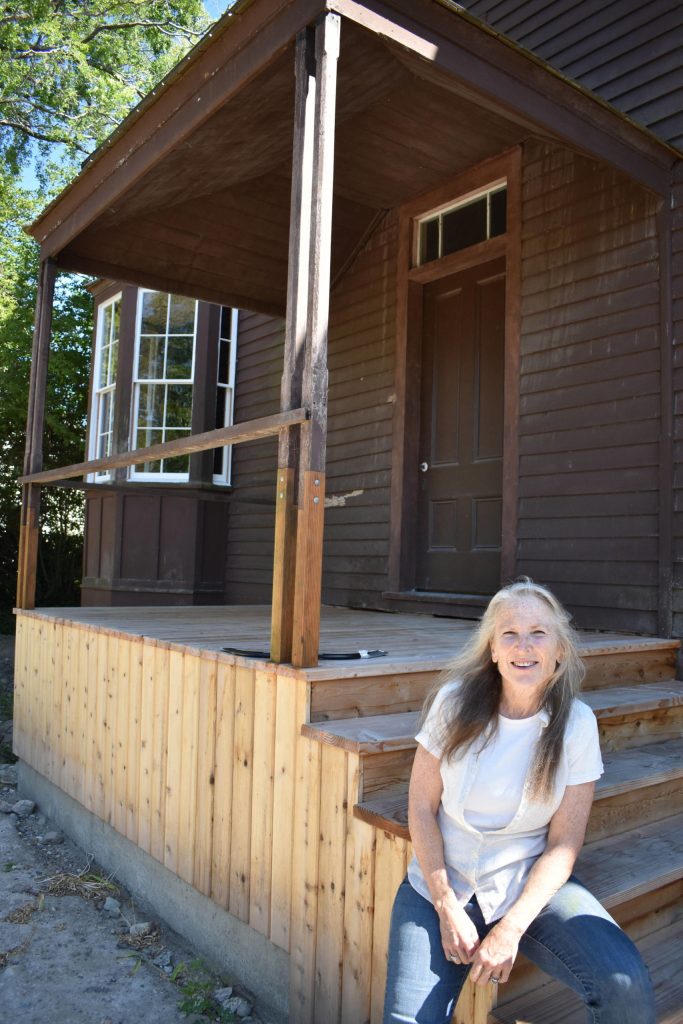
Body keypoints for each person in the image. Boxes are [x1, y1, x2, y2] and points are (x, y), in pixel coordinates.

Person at [383, 578, 655, 1024]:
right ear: (493, 649)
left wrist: (511, 927)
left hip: (526, 885)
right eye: (509, 633)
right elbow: (420, 807)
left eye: (538, 633)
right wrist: (446, 904)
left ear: (559, 651)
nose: (523, 646)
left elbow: (564, 844)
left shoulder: (577, 725)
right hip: (442, 883)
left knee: (626, 988)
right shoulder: (452, 703)